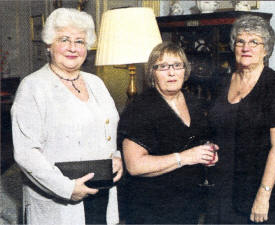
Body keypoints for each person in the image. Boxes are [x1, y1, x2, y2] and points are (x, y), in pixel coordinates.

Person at [11, 8, 123, 225]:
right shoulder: (33, 86)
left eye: (80, 41)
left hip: (101, 193)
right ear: (49, 45)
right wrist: (68, 189)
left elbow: (107, 132)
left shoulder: (96, 83)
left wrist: (116, 158)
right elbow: (26, 153)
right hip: (59, 201)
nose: (73, 47)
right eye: (64, 39)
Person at [206, 15, 275, 224]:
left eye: (254, 42)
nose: (246, 47)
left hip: (257, 188)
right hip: (221, 186)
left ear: (266, 49)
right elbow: (215, 128)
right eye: (240, 41)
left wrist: (263, 195)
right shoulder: (221, 82)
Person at [117, 42, 219, 224]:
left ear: (185, 70)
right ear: (152, 72)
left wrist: (208, 154)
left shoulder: (194, 102)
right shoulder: (140, 108)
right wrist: (185, 157)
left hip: (188, 206)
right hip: (151, 210)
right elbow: (135, 165)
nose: (172, 72)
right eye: (163, 67)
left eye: (177, 65)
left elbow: (199, 141)